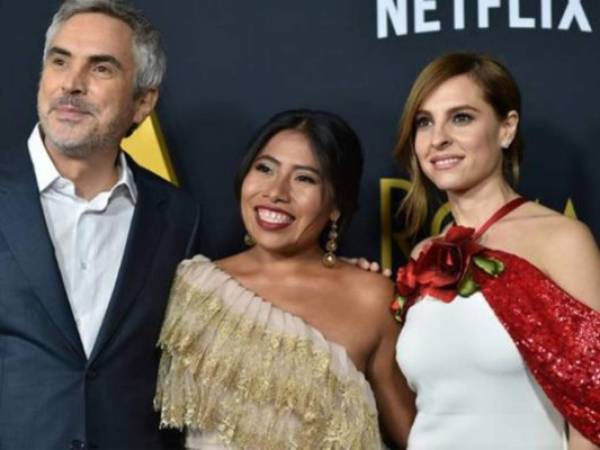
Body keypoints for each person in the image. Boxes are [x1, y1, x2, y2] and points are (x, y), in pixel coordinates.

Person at [0, 1, 200, 449]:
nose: (71, 84)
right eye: (60, 61)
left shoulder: (177, 216)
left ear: (143, 101)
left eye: (101, 69)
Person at [154, 109, 415, 449]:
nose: (276, 191)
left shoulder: (371, 296)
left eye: (304, 178)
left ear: (336, 204)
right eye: (264, 168)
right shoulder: (194, 288)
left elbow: (415, 436)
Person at [391, 52, 600, 449]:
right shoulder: (423, 255)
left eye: (462, 117)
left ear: (506, 129)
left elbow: (594, 407)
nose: (438, 139)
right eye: (424, 122)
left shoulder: (560, 240)